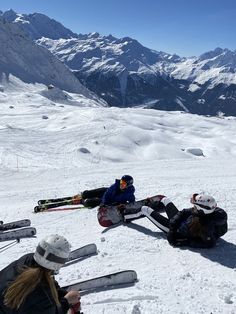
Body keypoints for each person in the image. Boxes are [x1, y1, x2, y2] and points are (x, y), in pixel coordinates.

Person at [0, 234, 81, 314]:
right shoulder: (41, 294)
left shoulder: (27, 260)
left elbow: (48, 282)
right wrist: (66, 302)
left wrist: (63, 294)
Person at [123, 193, 228, 248]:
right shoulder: (208, 211)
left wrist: (180, 238)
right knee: (164, 199)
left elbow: (209, 244)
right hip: (176, 225)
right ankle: (156, 209)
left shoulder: (206, 227)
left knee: (144, 210)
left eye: (195, 206)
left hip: (174, 230)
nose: (193, 207)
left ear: (201, 209)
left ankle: (124, 216)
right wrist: (174, 224)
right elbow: (185, 212)